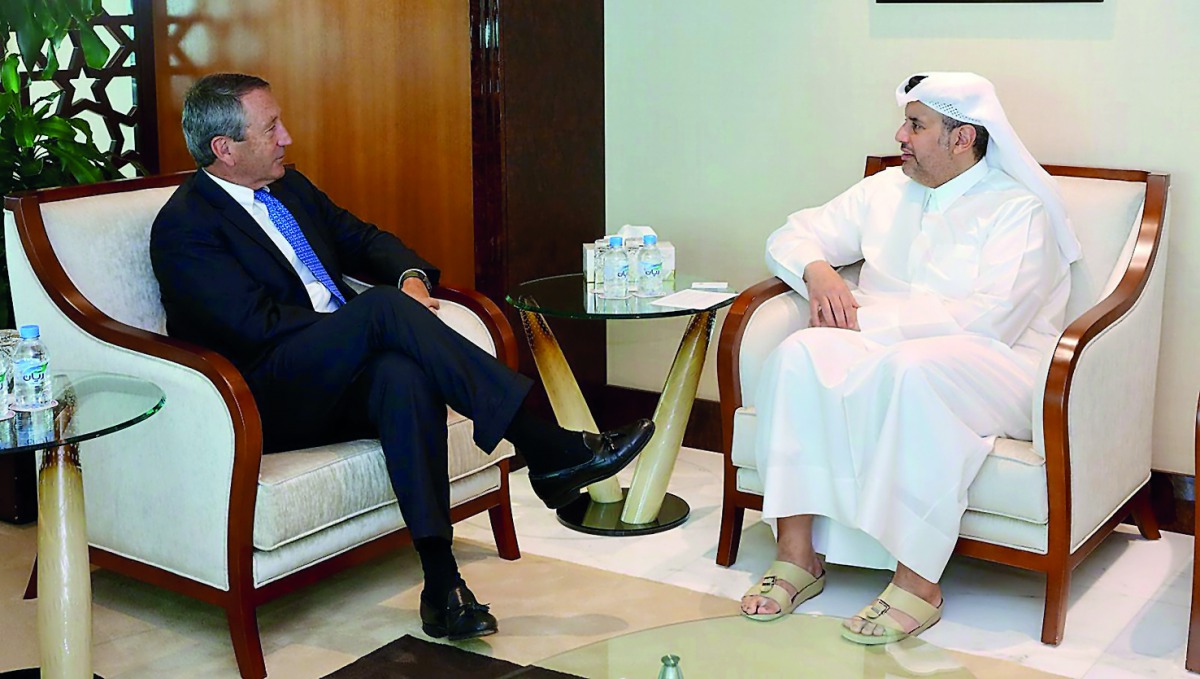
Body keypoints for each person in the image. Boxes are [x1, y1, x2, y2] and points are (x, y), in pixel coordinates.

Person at [150, 73, 654, 642]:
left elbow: (363, 240)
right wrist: (364, 325)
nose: (287, 137)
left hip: (332, 373)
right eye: (271, 128)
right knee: (383, 316)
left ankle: (443, 585)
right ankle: (547, 446)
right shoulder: (186, 225)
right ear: (225, 148)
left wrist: (409, 278)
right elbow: (252, 327)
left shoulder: (288, 188)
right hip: (262, 392)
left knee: (402, 375)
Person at [739, 72, 1080, 644]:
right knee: (798, 353)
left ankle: (918, 583)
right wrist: (819, 271)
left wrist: (865, 321)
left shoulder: (1018, 211)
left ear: (962, 137)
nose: (900, 135)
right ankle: (798, 556)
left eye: (916, 125)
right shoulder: (885, 190)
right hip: (882, 346)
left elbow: (987, 320)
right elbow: (791, 235)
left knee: (909, 372)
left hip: (998, 364)